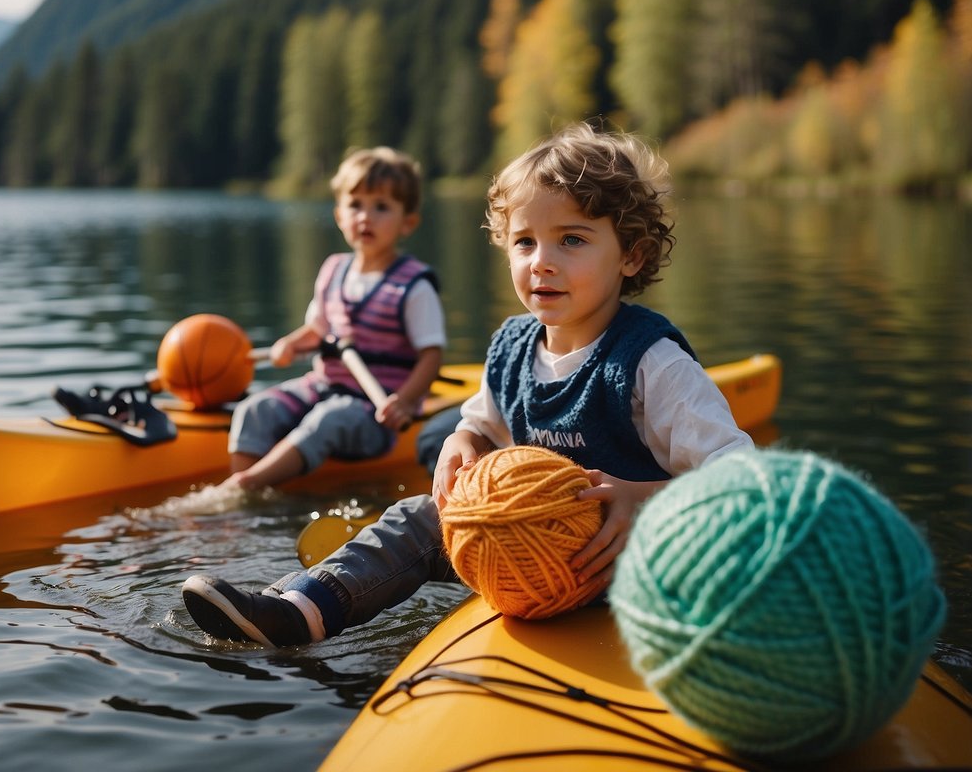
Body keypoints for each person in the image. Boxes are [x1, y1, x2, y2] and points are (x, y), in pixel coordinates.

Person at [183, 123, 753, 646]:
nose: (542, 262)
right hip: (523, 549)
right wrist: (463, 444)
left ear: (632, 255)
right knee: (417, 518)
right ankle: (298, 611)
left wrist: (641, 499)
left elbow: (742, 485)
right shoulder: (510, 348)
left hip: (626, 561)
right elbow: (478, 423)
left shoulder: (653, 363)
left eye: (572, 240)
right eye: (525, 241)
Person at [221, 146, 445, 492]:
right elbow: (317, 331)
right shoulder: (333, 271)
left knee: (330, 419)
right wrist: (291, 345)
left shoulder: (413, 286)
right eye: (355, 205)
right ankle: (254, 497)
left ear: (408, 222)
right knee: (254, 409)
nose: (365, 217)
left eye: (381, 207)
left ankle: (246, 485)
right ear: (340, 215)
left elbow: (432, 356)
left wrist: (403, 401)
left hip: (374, 410)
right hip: (322, 388)